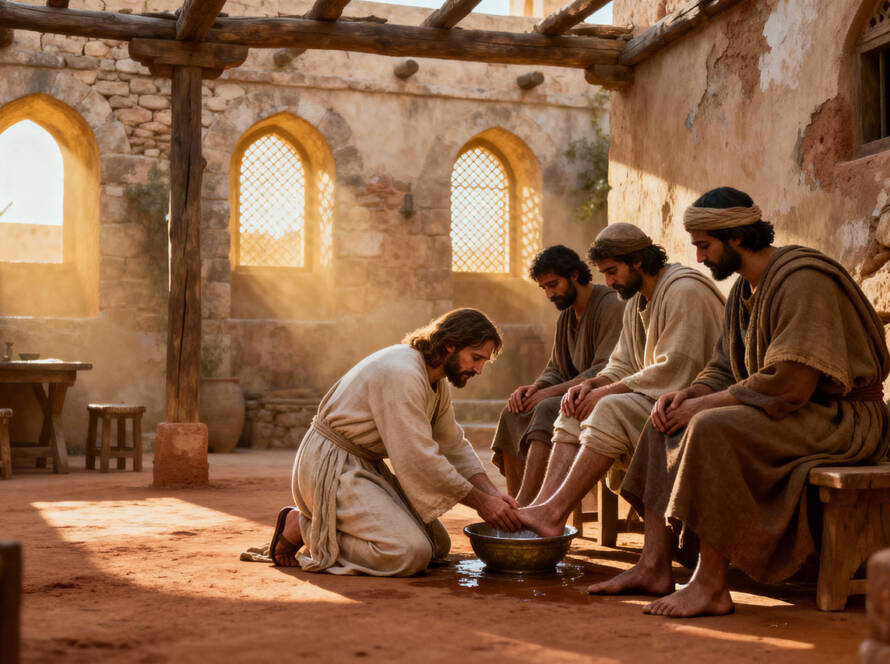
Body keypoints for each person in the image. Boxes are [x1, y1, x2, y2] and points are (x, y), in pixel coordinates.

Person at [590, 186, 890, 618]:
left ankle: (711, 585)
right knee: (664, 420)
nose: (699, 257)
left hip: (845, 419)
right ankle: (654, 565)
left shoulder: (803, 278)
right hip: (798, 411)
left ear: (735, 237)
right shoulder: (746, 291)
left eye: (705, 245)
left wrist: (705, 408)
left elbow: (791, 384)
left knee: (711, 427)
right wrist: (689, 394)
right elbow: (724, 369)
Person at [269, 308, 520, 576]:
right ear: (450, 345)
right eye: (476, 358)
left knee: (437, 545)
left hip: (365, 466)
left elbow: (453, 445)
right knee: (408, 553)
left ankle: (321, 524)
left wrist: (493, 495)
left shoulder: (436, 381)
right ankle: (303, 525)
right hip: (330, 466)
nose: (479, 369)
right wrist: (482, 504)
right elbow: (419, 459)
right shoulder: (402, 373)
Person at [516, 223, 725, 535]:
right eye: (604, 273)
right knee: (574, 407)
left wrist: (606, 393)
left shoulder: (685, 291)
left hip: (692, 402)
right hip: (654, 396)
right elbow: (622, 363)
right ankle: (543, 507)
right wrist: (591, 385)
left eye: (612, 271)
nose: (608, 281)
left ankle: (552, 514)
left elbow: (677, 369)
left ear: (638, 261)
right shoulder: (636, 299)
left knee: (608, 409)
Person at [491, 245, 624, 505]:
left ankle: (529, 508)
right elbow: (557, 368)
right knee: (513, 412)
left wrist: (546, 393)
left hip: (603, 394)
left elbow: (607, 369)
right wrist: (534, 387)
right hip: (569, 393)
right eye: (544, 289)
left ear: (574, 274)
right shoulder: (565, 317)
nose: (549, 294)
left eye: (553, 285)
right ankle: (515, 501)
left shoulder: (610, 305)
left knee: (547, 408)